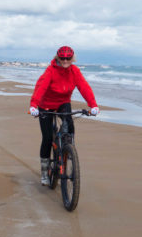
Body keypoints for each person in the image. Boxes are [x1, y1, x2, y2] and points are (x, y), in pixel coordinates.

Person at [29, 46, 99, 186]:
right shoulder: (51, 70)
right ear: (58, 58)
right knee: (48, 138)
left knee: (70, 127)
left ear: (72, 58)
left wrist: (93, 105)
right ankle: (44, 173)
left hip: (63, 102)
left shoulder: (74, 71)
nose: (65, 61)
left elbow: (84, 87)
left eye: (68, 58)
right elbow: (41, 87)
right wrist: (34, 105)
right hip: (46, 104)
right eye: (62, 58)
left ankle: (68, 151)